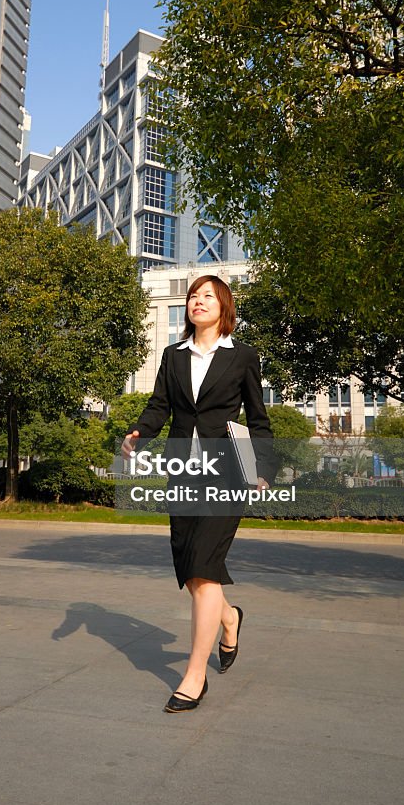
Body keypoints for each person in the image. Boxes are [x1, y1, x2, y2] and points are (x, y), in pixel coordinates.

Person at [122, 275, 276, 713]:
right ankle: (230, 617)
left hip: (228, 471)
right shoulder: (173, 356)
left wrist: (262, 468)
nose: (197, 301)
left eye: (207, 296)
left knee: (205, 569)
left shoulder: (243, 356)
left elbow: (258, 418)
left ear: (223, 306)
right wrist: (139, 433)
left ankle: (195, 676)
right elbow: (159, 407)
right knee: (191, 570)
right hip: (184, 472)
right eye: (193, 296)